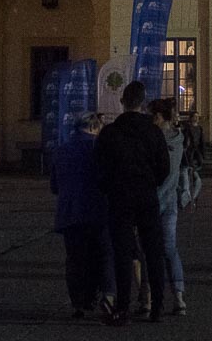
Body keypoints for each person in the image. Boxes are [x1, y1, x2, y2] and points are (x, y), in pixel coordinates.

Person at [96, 80, 171, 325]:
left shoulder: (110, 132)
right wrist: (152, 183)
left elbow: (99, 167)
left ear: (122, 102)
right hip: (146, 195)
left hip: (120, 196)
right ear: (142, 103)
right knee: (153, 251)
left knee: (123, 252)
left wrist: (109, 188)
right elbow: (164, 167)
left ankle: (123, 308)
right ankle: (157, 307)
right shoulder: (153, 131)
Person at [53, 111, 111, 318]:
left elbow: (55, 185)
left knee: (75, 260)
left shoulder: (61, 150)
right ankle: (99, 297)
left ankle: (78, 302)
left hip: (70, 213)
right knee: (101, 256)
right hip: (97, 211)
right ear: (95, 127)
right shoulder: (99, 148)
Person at [151, 99, 190, 314]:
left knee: (147, 252)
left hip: (152, 201)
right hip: (171, 202)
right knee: (170, 249)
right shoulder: (179, 138)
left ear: (158, 117)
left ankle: (147, 299)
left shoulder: (153, 139)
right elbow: (183, 166)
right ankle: (179, 295)